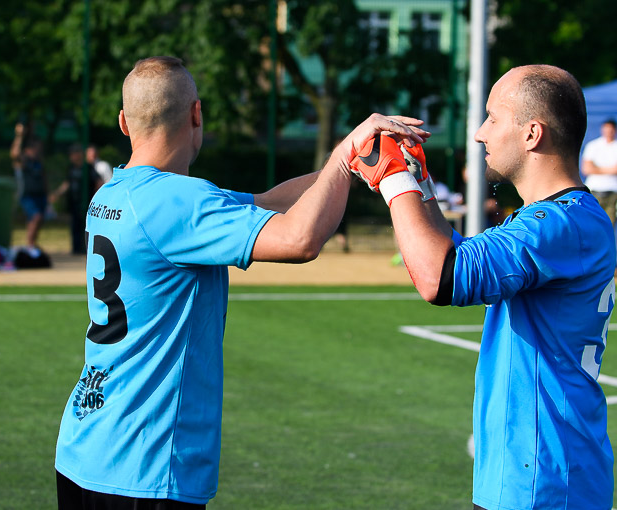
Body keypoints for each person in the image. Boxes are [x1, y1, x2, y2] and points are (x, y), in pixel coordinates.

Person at [54, 56, 428, 509]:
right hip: (142, 465)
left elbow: (267, 203)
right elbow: (300, 239)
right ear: (196, 114)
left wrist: (350, 165)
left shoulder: (113, 193)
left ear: (123, 122)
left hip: (83, 449)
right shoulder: (179, 200)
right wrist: (345, 148)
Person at [351, 65, 615, 509]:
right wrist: (420, 182)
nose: (479, 133)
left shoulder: (557, 224)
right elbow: (455, 254)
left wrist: (393, 176)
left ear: (532, 134)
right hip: (533, 473)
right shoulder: (558, 217)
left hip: (544, 481)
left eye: (493, 118)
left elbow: (441, 277)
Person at [50, 144, 102, 254]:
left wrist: (97, 198)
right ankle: (76, 249)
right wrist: (57, 193)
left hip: (87, 203)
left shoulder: (88, 168)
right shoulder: (71, 168)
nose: (72, 157)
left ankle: (86, 248)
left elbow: (98, 182)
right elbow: (67, 183)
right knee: (75, 226)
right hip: (74, 202)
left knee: (86, 226)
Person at [581, 118, 617, 224]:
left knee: (609, 224)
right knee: (592, 224)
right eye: (606, 129)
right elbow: (586, 169)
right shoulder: (593, 145)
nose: (608, 132)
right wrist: (609, 169)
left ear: (616, 130)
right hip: (594, 190)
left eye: (611, 130)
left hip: (613, 191)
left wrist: (596, 169)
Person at [10, 123, 48, 251]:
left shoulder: (39, 161)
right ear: (29, 149)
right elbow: (14, 154)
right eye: (37, 147)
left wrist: (48, 194)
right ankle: (30, 245)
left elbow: (44, 178)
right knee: (36, 217)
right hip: (27, 195)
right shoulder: (24, 160)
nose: (39, 149)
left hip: (40, 195)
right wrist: (19, 136)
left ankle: (32, 244)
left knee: (38, 220)